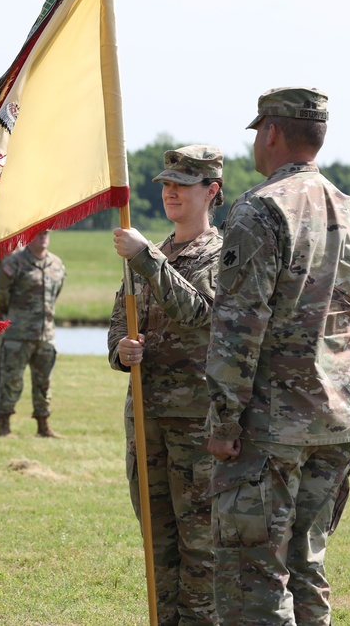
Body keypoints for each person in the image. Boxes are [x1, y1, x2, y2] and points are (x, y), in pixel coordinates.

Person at [205, 87, 350, 626]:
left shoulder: (260, 210)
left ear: (271, 133)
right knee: (307, 567)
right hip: (333, 426)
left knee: (253, 577)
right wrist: (347, 399)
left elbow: (238, 330)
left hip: (268, 431)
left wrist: (223, 420)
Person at [108, 145, 225, 625]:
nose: (171, 192)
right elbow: (120, 320)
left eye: (183, 184)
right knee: (157, 545)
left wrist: (147, 258)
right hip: (146, 418)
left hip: (196, 423)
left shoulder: (222, 254)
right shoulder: (150, 250)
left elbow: (201, 314)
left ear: (212, 191)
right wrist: (121, 350)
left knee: (200, 546)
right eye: (166, 185)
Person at [0, 230, 66, 437]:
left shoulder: (56, 264)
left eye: (46, 234)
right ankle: (4, 425)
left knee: (44, 382)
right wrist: (12, 316)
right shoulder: (14, 263)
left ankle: (43, 426)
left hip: (46, 335)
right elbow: (0, 295)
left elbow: (55, 293)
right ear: (30, 236)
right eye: (38, 234)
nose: (43, 237)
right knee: (11, 381)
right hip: (18, 334)